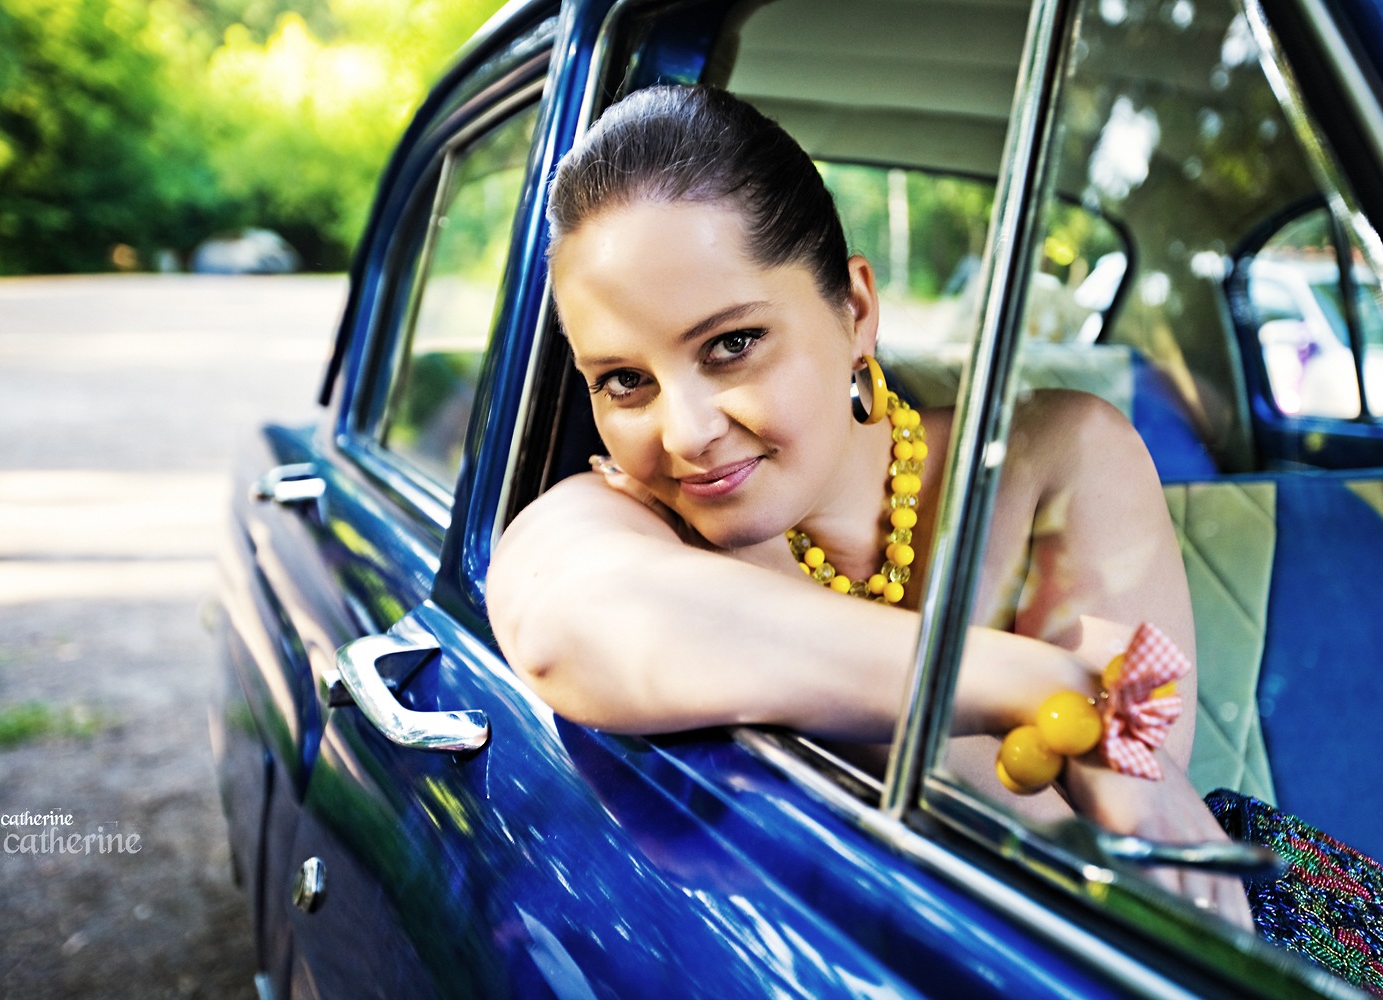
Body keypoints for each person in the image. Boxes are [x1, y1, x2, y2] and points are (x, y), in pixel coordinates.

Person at [488, 84, 1250, 925]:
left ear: (855, 311)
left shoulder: (1060, 453)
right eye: (625, 381)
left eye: (732, 344)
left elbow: (1118, 839)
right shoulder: (628, 522)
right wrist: (1030, 684)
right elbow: (558, 631)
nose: (687, 432)